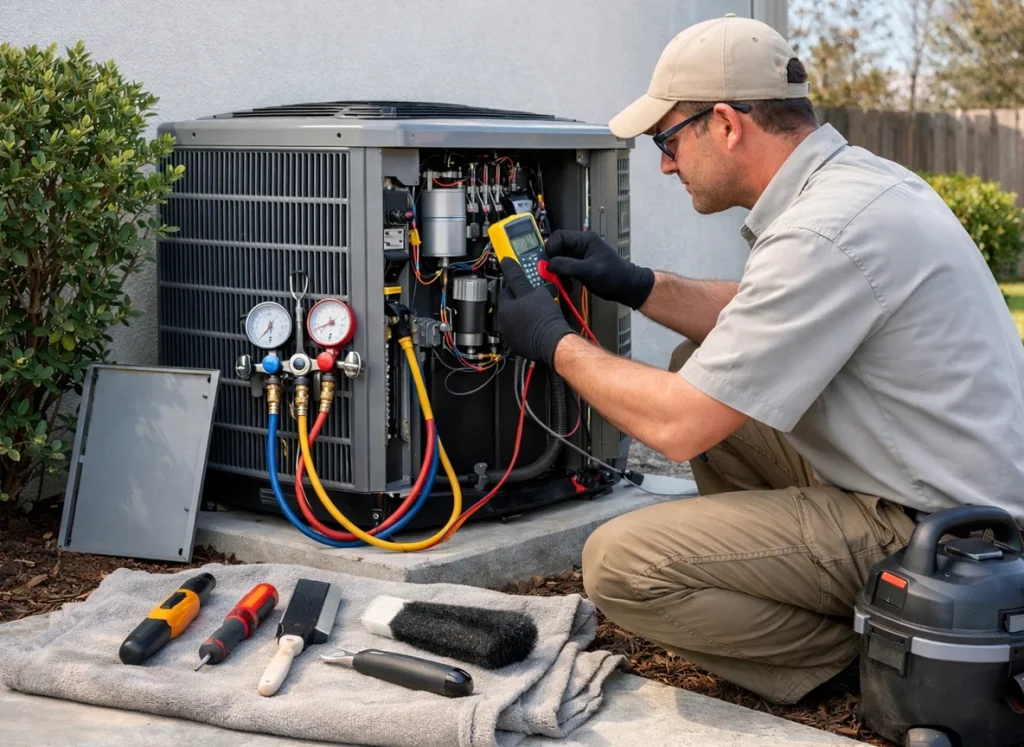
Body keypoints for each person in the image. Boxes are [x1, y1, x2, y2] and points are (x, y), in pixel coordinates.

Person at [494, 14, 1024, 705]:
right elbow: (758, 314)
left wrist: (554, 341)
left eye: (668, 139)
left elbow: (679, 427)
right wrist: (635, 282)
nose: (664, 162)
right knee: (697, 358)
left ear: (725, 123)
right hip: (936, 487)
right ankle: (786, 581)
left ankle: (866, 646)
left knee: (619, 563)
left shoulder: (824, 230)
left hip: (942, 543)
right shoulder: (855, 187)